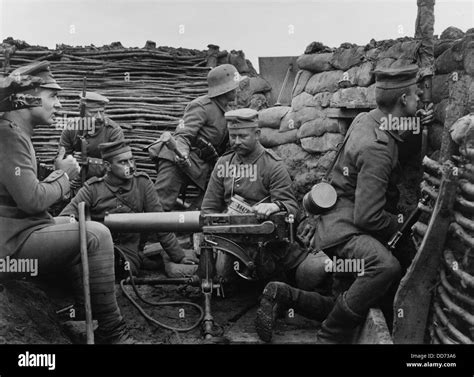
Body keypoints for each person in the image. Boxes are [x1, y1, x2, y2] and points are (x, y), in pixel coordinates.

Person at [256, 65, 434, 343]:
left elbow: (397, 138)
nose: (420, 97)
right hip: (347, 229)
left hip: (333, 219)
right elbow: (369, 218)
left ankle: (284, 294)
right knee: (384, 267)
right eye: (415, 94)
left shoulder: (367, 120)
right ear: (402, 100)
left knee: (348, 300)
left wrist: (415, 124)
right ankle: (331, 336)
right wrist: (403, 226)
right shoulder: (377, 148)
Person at [0, 61, 134, 344]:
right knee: (97, 234)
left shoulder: (13, 132)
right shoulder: (9, 136)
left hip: (13, 235)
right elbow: (32, 200)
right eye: (53, 96)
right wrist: (65, 176)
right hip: (9, 246)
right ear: (28, 97)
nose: (59, 105)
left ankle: (69, 310)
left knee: (74, 222)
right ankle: (113, 330)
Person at [201, 108, 332, 341]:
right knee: (219, 281)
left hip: (270, 246)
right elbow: (208, 209)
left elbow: (292, 208)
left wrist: (275, 207)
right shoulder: (223, 165)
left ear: (258, 133)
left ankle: (278, 293)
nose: (237, 142)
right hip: (232, 242)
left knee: (311, 274)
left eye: (243, 136)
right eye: (233, 136)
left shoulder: (272, 165)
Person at [59, 140, 199, 278]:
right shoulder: (93, 189)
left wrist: (179, 256)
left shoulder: (142, 184)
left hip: (128, 251)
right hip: (97, 247)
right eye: (123, 162)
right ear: (108, 166)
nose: (131, 166)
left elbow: (160, 223)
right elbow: (67, 217)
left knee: (121, 270)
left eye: (132, 160)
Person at [150, 64, 240, 211]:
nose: (237, 89)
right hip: (176, 159)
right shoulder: (200, 106)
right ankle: (152, 232)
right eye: (234, 86)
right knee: (161, 205)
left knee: (212, 199)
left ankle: (188, 231)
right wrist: (182, 154)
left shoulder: (228, 111)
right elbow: (183, 135)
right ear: (225, 88)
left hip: (201, 165)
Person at [59, 91, 124, 181]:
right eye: (93, 112)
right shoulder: (71, 129)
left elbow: (118, 165)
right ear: (82, 113)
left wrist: (88, 161)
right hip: (76, 182)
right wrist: (72, 160)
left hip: (105, 184)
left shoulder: (113, 131)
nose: (99, 117)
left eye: (101, 112)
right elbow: (61, 159)